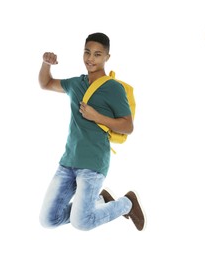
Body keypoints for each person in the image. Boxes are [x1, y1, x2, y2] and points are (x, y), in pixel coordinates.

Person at [37, 32, 144, 231]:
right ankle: (101, 199)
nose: (90, 59)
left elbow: (128, 126)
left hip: (93, 163)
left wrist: (97, 117)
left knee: (82, 222)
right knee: (48, 219)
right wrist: (46, 64)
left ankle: (126, 203)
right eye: (87, 53)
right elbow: (46, 83)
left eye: (97, 54)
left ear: (106, 58)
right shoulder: (76, 83)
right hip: (68, 161)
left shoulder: (114, 88)